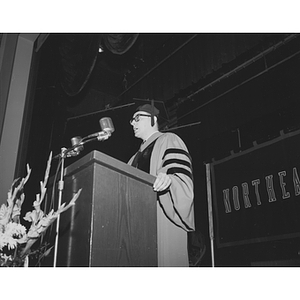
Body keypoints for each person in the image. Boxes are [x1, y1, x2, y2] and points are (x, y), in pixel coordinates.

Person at [128, 103, 195, 266]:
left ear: (153, 119)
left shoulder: (168, 139)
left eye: (137, 118)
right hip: (136, 225)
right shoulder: (132, 159)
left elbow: (180, 175)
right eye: (132, 120)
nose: (133, 123)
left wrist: (170, 181)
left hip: (162, 216)